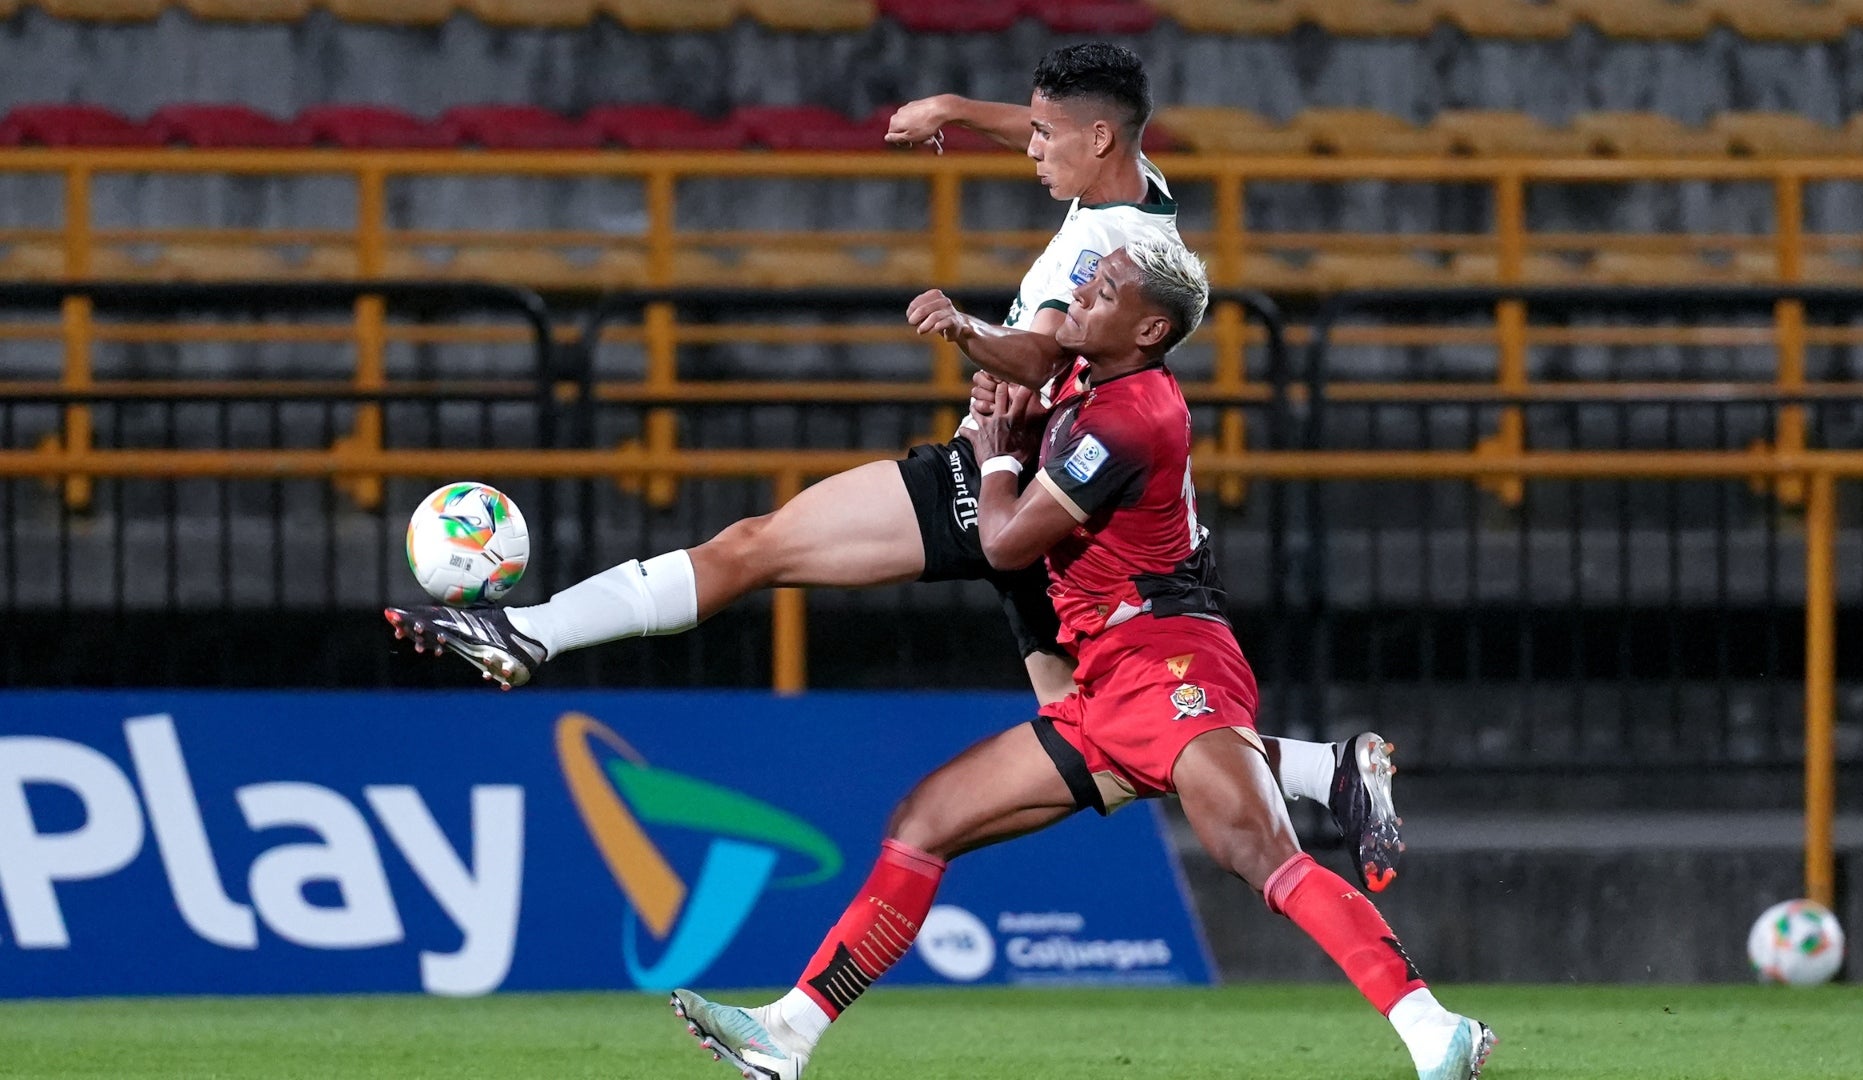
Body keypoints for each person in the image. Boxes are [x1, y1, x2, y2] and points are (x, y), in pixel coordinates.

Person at [385, 42, 1403, 892]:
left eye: (1045, 132)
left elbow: (1045, 352)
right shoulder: (1138, 189)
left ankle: (527, 631)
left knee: (756, 546)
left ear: (1097, 140)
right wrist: (961, 110)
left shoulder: (1101, 251)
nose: (1030, 143)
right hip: (1066, 518)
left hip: (1015, 482)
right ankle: (1326, 770)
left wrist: (967, 331)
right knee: (1101, 740)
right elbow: (1058, 138)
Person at [669, 239, 1495, 1080]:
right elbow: (1031, 361)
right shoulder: (1090, 380)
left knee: (1259, 853)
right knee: (924, 822)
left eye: (1102, 294)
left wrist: (995, 452)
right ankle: (789, 1034)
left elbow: (1003, 541)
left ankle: (1435, 1028)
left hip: (1171, 659)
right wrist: (984, 362)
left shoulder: (1133, 416)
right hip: (1103, 680)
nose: (1081, 301)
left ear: (1149, 329)